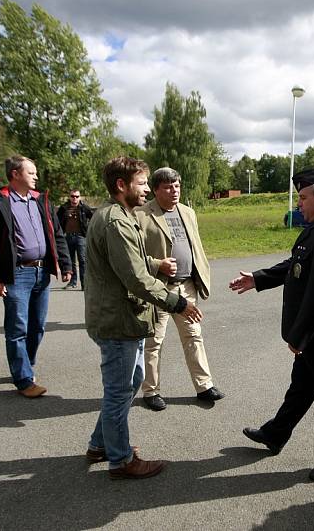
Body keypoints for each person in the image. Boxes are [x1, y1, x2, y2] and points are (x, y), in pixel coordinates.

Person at [229, 166, 314, 482]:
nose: (298, 203)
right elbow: (296, 266)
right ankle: (276, 434)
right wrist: (258, 279)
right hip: (313, 334)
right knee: (301, 388)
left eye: (303, 197)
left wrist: (299, 336)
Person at [84, 156, 203, 479]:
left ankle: (100, 444)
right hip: (118, 319)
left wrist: (155, 263)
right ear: (121, 185)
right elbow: (134, 277)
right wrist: (177, 302)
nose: (146, 189)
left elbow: (131, 260)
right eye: (141, 183)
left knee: (127, 384)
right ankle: (120, 460)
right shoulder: (116, 221)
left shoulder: (122, 216)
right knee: (120, 390)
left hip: (124, 317)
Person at [0, 156, 72, 398]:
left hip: (41, 273)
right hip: (16, 274)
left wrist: (65, 263)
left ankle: (25, 366)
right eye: (31, 172)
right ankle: (24, 379)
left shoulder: (41, 201)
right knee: (17, 328)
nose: (36, 177)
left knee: (37, 326)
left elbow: (57, 234)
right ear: (15, 174)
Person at [136, 167, 224, 411]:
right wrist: (158, 265)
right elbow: (134, 256)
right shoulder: (141, 215)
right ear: (155, 189)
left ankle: (204, 385)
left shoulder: (188, 212)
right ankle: (151, 391)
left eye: (176, 186)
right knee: (155, 342)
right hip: (159, 290)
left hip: (186, 287)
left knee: (194, 336)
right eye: (167, 187)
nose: (174, 191)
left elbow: (195, 246)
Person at [56, 188, 93, 290]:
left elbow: (93, 217)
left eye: (77, 196)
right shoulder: (64, 208)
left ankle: (84, 284)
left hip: (81, 237)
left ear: (79, 197)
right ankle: (73, 282)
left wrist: (88, 230)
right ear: (69, 197)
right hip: (68, 236)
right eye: (72, 196)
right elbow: (56, 222)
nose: (74, 199)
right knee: (70, 260)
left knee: (82, 260)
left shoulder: (84, 208)